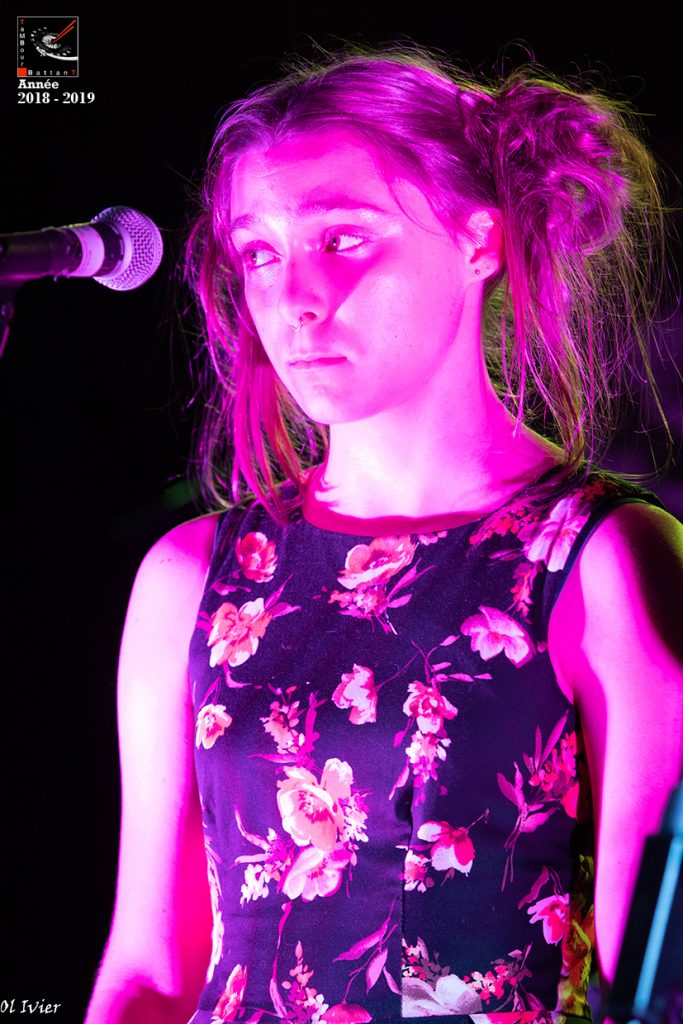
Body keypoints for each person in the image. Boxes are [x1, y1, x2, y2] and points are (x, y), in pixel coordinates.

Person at [85, 46, 682, 1024]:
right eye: (259, 253)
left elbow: (648, 992)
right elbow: (147, 972)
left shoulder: (599, 561)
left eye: (342, 238)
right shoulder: (190, 577)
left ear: (479, 240)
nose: (292, 297)